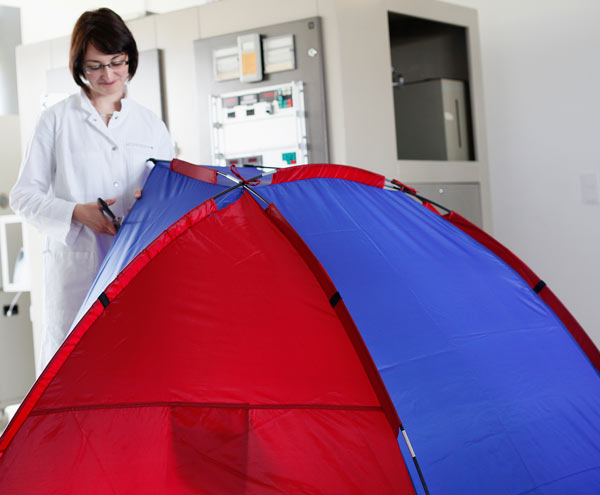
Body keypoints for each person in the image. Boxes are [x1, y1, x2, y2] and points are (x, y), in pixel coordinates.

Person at [10, 8, 174, 374]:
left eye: (117, 62)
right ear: (79, 67)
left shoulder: (150, 124)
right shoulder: (56, 120)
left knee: (134, 371)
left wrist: (148, 204)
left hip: (134, 266)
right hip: (77, 271)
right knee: (73, 373)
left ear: (129, 58)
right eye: (96, 66)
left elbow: (169, 194)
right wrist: (75, 213)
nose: (109, 75)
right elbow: (23, 196)